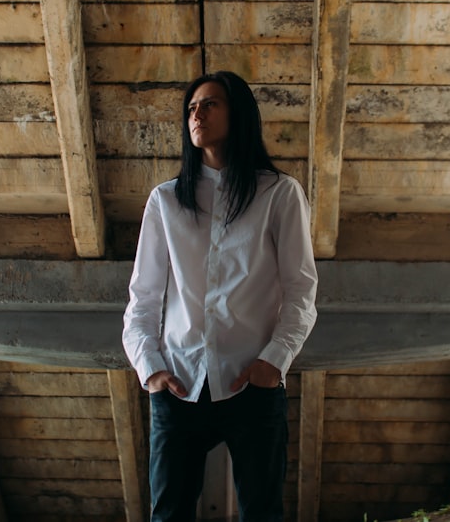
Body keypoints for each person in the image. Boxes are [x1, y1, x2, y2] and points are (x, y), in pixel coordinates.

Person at [122, 70, 319, 521]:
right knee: (168, 514)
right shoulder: (165, 201)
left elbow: (301, 290)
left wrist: (274, 361)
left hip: (253, 382)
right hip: (177, 382)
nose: (197, 114)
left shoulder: (279, 194)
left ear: (240, 114)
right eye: (191, 108)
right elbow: (144, 299)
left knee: (263, 513)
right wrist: (150, 369)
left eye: (210, 104)